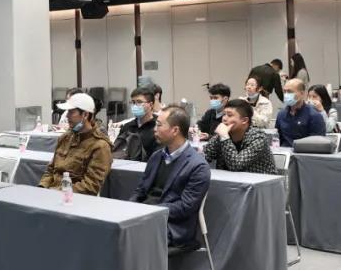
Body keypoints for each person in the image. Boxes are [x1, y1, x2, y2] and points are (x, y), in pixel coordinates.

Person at [128, 106, 211, 247]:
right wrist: (129, 207)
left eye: (159, 125)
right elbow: (140, 190)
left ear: (175, 130)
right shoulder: (156, 156)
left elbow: (185, 207)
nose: (155, 129)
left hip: (172, 225)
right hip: (146, 216)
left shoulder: (198, 166)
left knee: (131, 239)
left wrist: (150, 211)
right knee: (114, 228)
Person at [38, 92, 112, 195]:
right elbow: (50, 170)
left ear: (85, 115)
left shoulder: (100, 146)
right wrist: (42, 188)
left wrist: (56, 193)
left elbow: (91, 186)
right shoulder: (65, 138)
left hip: (74, 199)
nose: (67, 116)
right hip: (52, 194)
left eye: (71, 112)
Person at [203, 99, 276, 175]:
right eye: (224, 114)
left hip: (259, 181)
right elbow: (204, 157)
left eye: (229, 115)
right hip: (229, 180)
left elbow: (236, 165)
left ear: (244, 120)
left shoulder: (258, 138)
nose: (224, 118)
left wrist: (224, 137)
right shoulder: (222, 135)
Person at [112, 86, 160, 160]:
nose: (135, 106)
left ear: (151, 105)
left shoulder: (158, 127)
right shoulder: (127, 127)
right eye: (133, 102)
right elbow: (117, 151)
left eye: (139, 102)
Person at [275, 78, 325, 146]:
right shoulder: (281, 114)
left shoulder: (314, 116)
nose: (286, 95)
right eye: (284, 91)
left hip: (304, 151)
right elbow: (277, 138)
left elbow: (318, 144)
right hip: (284, 150)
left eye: (290, 92)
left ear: (302, 93)